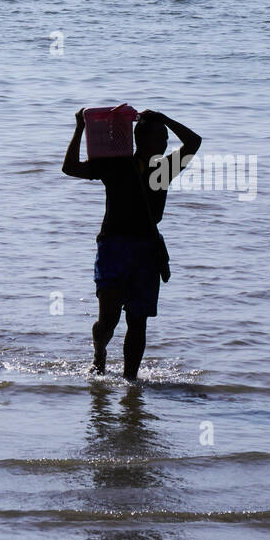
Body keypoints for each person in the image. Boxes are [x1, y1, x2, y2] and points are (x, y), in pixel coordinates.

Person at [62, 107, 201, 381]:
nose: (164, 143)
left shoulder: (163, 169)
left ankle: (130, 383)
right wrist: (80, 128)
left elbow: (194, 142)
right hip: (113, 246)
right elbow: (70, 168)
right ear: (142, 140)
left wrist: (165, 119)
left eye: (165, 139)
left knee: (138, 321)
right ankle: (99, 353)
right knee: (109, 319)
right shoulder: (116, 164)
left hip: (146, 250)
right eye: (159, 137)